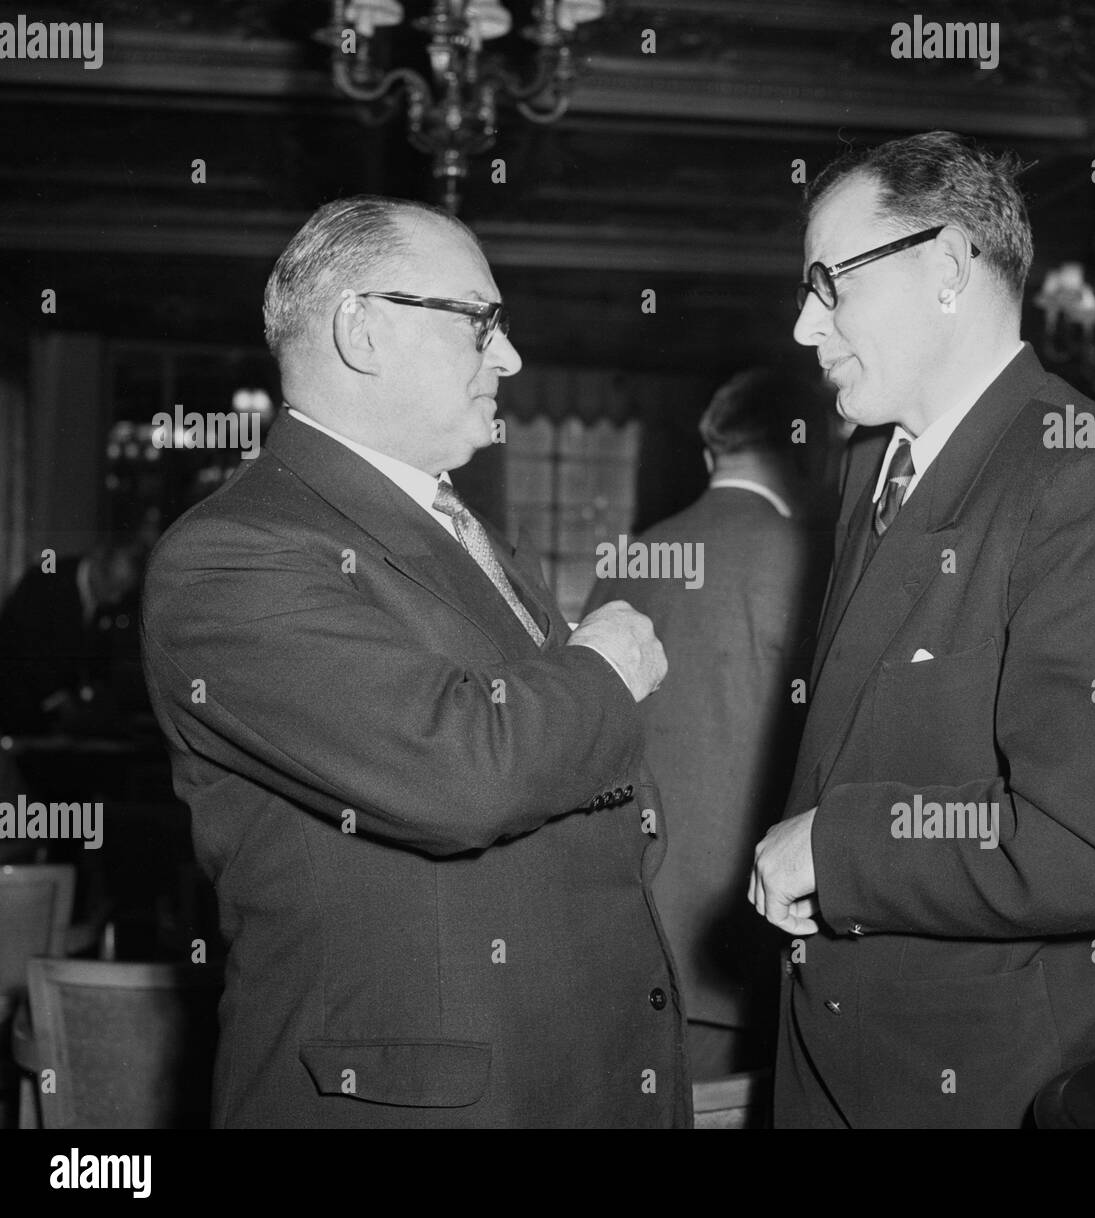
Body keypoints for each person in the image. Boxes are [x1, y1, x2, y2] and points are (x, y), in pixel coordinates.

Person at [141, 196, 688, 1128]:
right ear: (362, 330)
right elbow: (462, 774)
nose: (508, 357)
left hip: (566, 1067)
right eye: (481, 321)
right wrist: (603, 665)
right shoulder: (234, 553)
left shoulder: (455, 526)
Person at [748, 131, 1095, 1128]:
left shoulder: (1090, 481)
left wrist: (838, 847)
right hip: (833, 1040)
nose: (800, 327)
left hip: (978, 1081)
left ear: (947, 268)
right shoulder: (873, 466)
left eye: (828, 285)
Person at [584, 367, 832, 1080]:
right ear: (809, 456)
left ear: (708, 455)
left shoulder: (629, 558)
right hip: (745, 944)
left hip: (626, 935)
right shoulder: (810, 567)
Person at [0, 537, 145, 735]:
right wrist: (57, 698)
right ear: (97, 565)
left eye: (123, 590)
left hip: (63, 723)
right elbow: (22, 646)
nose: (116, 598)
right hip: (20, 711)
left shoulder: (108, 605)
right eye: (113, 587)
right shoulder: (44, 582)